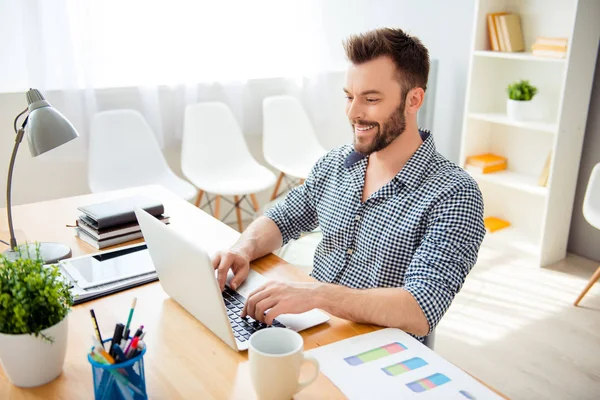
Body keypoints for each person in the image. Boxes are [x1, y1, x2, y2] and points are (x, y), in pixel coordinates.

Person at [212, 27, 485, 340]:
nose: (354, 113)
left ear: (414, 99)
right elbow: (284, 217)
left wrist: (316, 295)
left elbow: (420, 309)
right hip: (309, 327)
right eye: (349, 97)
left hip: (374, 353)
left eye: (370, 99)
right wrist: (242, 249)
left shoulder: (455, 195)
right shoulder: (336, 163)